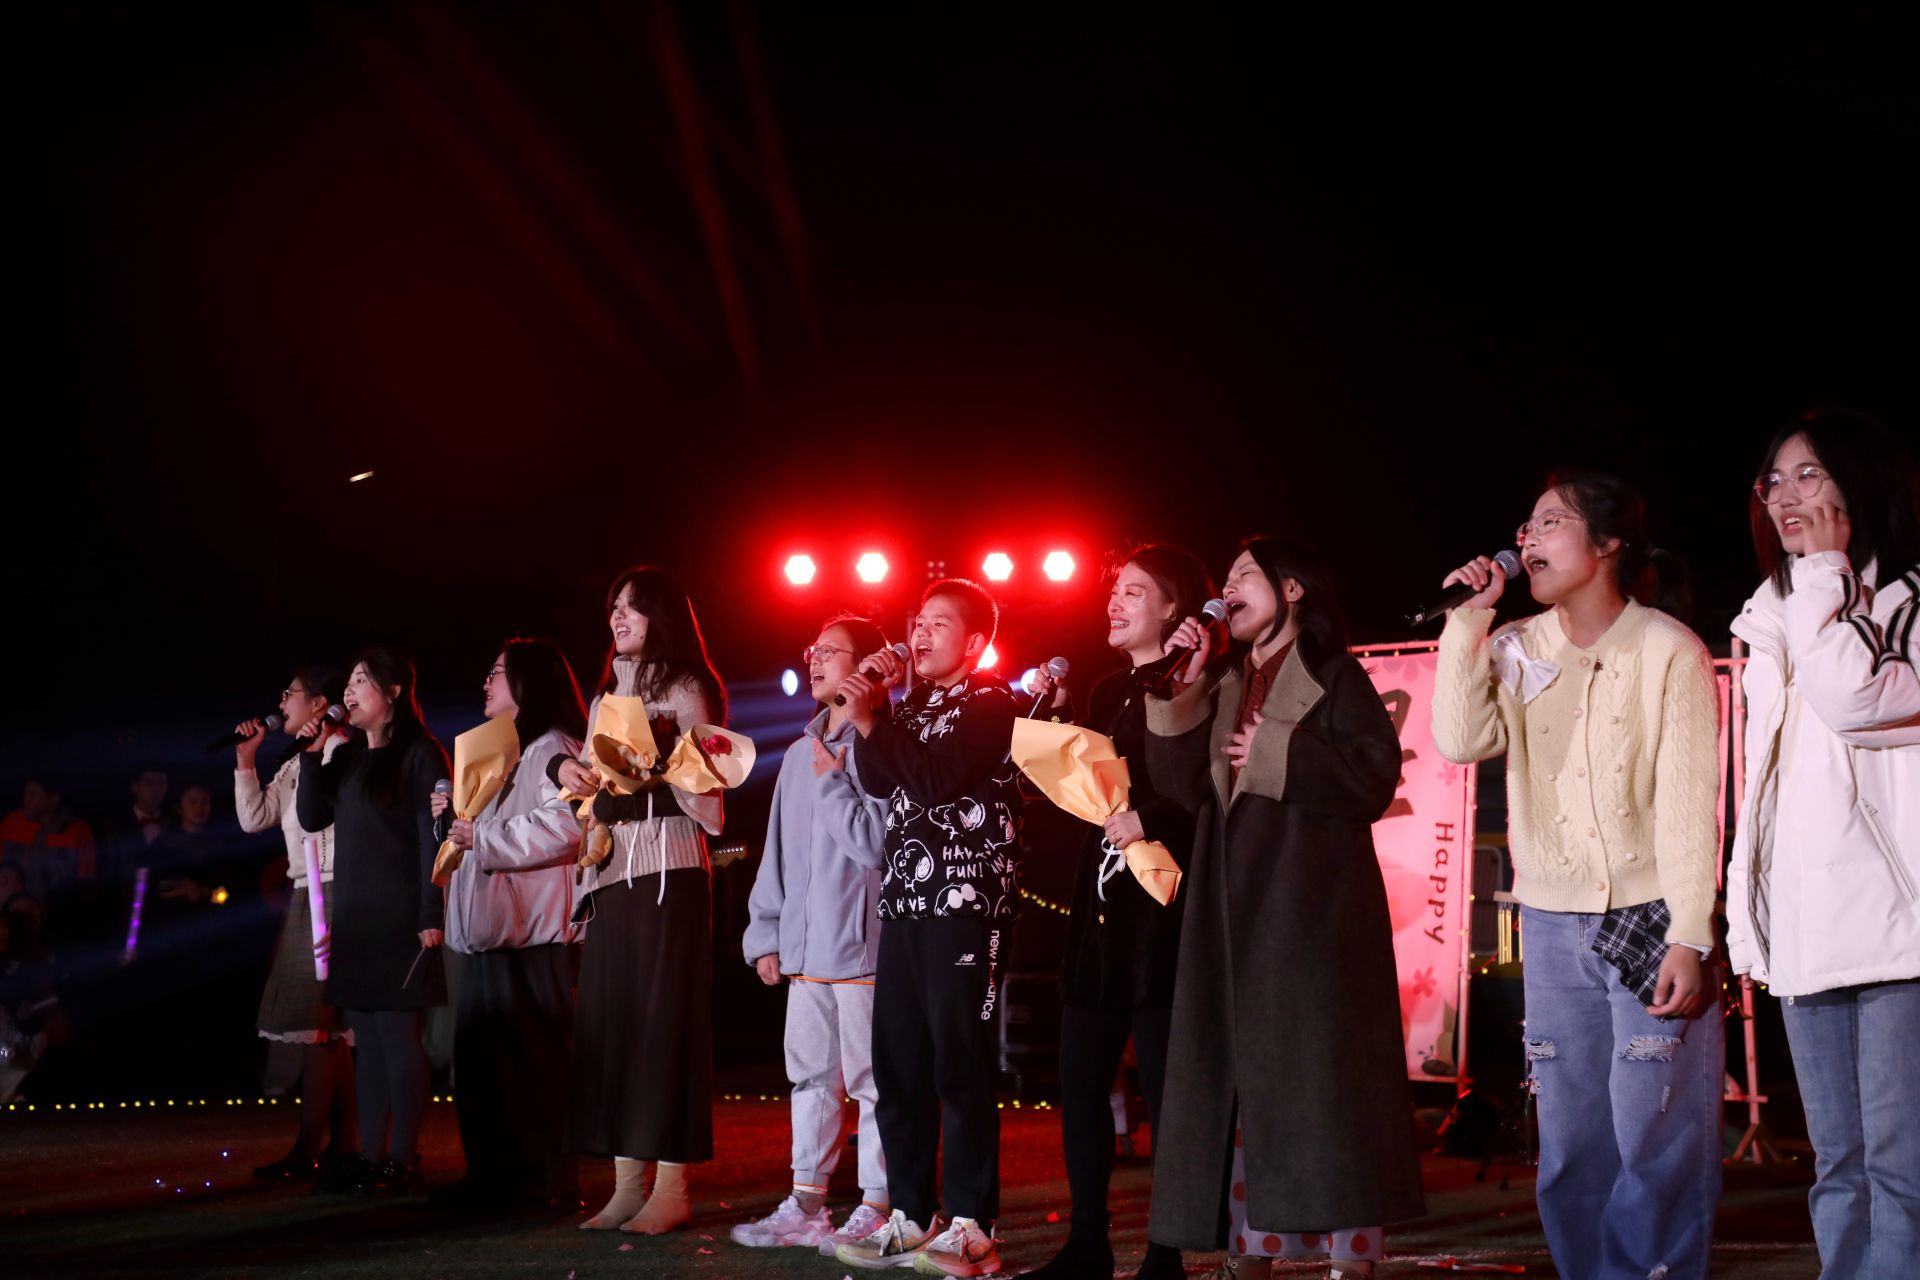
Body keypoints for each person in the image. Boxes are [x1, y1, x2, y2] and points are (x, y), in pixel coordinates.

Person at [1432, 473, 1724, 1280]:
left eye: (1551, 523)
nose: (1527, 539)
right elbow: (1460, 740)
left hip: (1653, 917)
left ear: (1608, 542)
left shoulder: (1669, 649)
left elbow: (1689, 804)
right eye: (1526, 526)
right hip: (1553, 925)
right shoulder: (1516, 644)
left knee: (1658, 1135)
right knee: (1570, 1142)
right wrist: (1468, 621)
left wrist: (1691, 933)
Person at [1142, 538, 1422, 1280]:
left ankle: (1350, 1259)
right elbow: (1183, 787)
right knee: (1246, 1083)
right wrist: (1186, 687)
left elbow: (1373, 780)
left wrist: (1277, 748)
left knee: (1329, 1083)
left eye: (1245, 575)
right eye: (1228, 576)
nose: (1228, 587)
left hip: (1313, 910)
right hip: (1231, 912)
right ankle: (1252, 1250)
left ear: (1293, 590)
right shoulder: (1228, 679)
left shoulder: (1335, 675)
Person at [1725, 408, 1920, 1277]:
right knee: (1838, 1167)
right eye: (1774, 480)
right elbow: (1764, 786)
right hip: (1807, 927)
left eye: (1809, 474)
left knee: (1901, 1170)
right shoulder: (1771, 617)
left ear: (1860, 480)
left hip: (1897, 926)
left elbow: (1855, 702)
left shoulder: (1905, 598)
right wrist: (1751, 918)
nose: (1785, 495)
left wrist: (1824, 573)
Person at [1023, 544, 1213, 1280]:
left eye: (1135, 591)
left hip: (1166, 910)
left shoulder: (1205, 680)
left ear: (1175, 607)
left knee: (1168, 1091)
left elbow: (1209, 789)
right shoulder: (1106, 690)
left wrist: (1151, 820)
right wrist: (1058, 728)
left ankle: (1166, 1254)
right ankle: (1087, 1245)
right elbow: (1089, 791)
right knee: (1080, 1084)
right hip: (1101, 906)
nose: (1115, 602)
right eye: (1115, 590)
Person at [832, 578, 1024, 1278]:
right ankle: (912, 1215)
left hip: (965, 907)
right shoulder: (911, 706)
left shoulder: (993, 703)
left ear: (975, 642)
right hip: (907, 904)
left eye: (939, 623)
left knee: (958, 1064)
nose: (920, 633)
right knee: (899, 1064)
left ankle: (973, 1224)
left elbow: (937, 781)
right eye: (918, 621)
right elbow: (884, 781)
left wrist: (875, 721)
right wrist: (873, 711)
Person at [555, 567, 726, 1235]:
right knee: (619, 1028)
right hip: (613, 875)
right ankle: (627, 1186)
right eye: (613, 607)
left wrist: (651, 771)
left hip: (668, 872)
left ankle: (672, 1187)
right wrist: (574, 777)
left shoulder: (686, 687)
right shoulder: (606, 693)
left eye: (631, 607)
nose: (617, 617)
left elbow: (708, 786)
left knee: (663, 1028)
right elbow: (593, 788)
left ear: (663, 615)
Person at [731, 613, 891, 1254]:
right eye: (813, 649)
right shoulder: (800, 752)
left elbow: (874, 845)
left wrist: (832, 781)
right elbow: (776, 851)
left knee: (872, 1081)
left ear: (868, 665)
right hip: (805, 951)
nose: (816, 659)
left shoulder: (880, 743)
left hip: (861, 948)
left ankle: (877, 1203)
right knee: (810, 1078)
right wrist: (766, 933)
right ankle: (806, 1204)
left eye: (832, 650)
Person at [431, 638, 589, 1212]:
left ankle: (545, 1181)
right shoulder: (501, 750)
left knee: (533, 1064)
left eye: (497, 672)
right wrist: (452, 821)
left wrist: (483, 836)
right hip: (490, 931)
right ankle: (491, 1176)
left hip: (533, 934)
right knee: (482, 1065)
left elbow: (570, 826)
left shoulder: (556, 748)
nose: (486, 682)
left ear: (528, 682)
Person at [296, 647, 449, 1198]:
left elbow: (433, 837)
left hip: (401, 914)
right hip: (357, 916)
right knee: (367, 1040)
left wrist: (430, 911)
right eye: (350, 682)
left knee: (398, 1036)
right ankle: (370, 1155)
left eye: (361, 681)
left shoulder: (421, 754)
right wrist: (312, 755)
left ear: (393, 692)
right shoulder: (351, 757)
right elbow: (312, 817)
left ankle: (403, 1157)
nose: (349, 691)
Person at [233, 666, 357, 1184]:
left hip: (333, 887)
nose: (280, 701)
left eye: (290, 693)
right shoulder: (295, 757)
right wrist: (245, 759)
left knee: (321, 1024)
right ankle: (342, 1146)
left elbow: (320, 819)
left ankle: (312, 1146)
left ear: (319, 703)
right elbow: (254, 818)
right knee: (327, 1028)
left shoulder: (339, 747)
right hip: (310, 890)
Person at [0, 777, 97, 908]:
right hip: (11, 911)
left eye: (33, 795)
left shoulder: (76, 830)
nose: (25, 799)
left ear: (53, 799)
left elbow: (86, 881)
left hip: (56, 912)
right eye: (25, 794)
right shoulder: (12, 823)